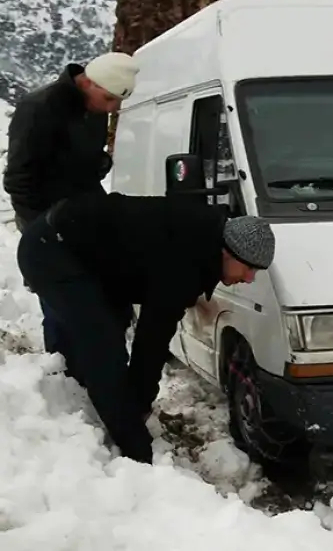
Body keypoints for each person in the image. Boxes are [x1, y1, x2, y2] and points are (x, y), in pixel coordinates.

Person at [16, 192, 276, 464]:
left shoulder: (204, 240)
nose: (249, 279)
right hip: (51, 250)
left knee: (108, 334)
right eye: (248, 269)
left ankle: (83, 402)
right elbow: (152, 339)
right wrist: (138, 410)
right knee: (103, 350)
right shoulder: (185, 260)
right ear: (227, 252)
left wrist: (138, 398)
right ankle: (133, 454)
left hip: (84, 254)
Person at [3, 52, 140, 361]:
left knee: (100, 300)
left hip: (86, 217)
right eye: (108, 99)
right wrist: (42, 231)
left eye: (117, 101)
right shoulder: (38, 109)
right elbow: (18, 179)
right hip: (47, 227)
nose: (112, 108)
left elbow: (83, 160)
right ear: (87, 82)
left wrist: (100, 163)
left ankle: (102, 375)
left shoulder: (95, 105)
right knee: (61, 306)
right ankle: (65, 379)